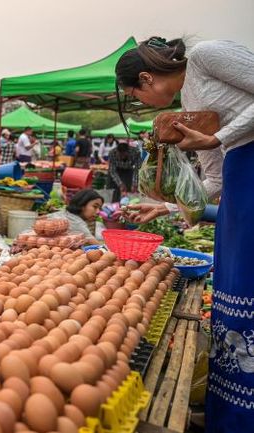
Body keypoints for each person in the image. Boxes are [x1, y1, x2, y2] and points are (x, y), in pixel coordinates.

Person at [115, 37, 254, 431]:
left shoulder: (207, 55)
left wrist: (220, 138)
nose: (142, 103)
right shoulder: (191, 107)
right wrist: (168, 206)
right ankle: (235, 417)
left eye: (136, 95)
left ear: (147, 78)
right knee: (237, 288)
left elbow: (220, 144)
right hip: (240, 183)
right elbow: (212, 178)